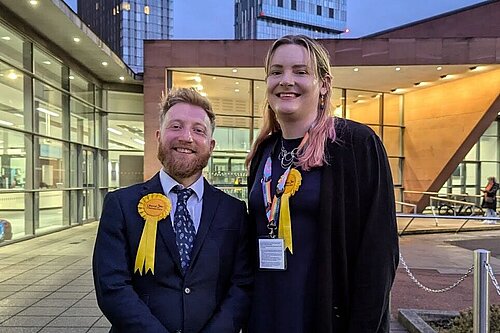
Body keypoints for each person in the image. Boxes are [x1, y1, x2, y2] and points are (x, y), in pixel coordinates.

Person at [245, 35, 399, 333]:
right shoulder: (265, 151)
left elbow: (379, 254)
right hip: (266, 316)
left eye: (300, 71)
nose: (286, 80)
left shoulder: (355, 145)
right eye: (276, 71)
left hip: (325, 320)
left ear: (324, 84)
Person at [93, 88, 253, 333]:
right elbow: (112, 286)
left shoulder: (234, 211)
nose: (186, 137)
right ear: (158, 136)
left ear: (210, 145)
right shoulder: (120, 205)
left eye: (198, 130)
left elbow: (242, 285)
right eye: (176, 126)